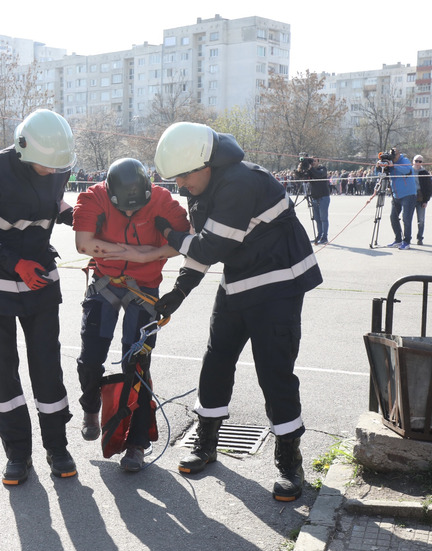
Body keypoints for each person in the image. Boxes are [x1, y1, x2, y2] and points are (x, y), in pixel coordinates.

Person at [151, 122, 323, 502]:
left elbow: (208, 247)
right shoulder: (205, 187)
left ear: (203, 163)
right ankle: (207, 441)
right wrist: (179, 292)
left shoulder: (241, 181)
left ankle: (290, 462)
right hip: (240, 283)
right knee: (216, 361)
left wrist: (168, 235)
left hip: (278, 285)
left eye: (182, 176)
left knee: (274, 372)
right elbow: (206, 249)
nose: (179, 185)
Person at [0, 109, 79, 485]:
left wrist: (79, 216)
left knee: (47, 368)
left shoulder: (56, 165)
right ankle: (17, 454)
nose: (51, 172)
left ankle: (57, 447)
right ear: (23, 148)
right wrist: (13, 263)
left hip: (39, 280)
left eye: (57, 168)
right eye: (44, 166)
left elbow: (47, 204)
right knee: (3, 372)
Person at [72, 157, 190, 472]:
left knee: (137, 362)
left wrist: (150, 254)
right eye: (122, 209)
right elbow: (83, 244)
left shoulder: (163, 201)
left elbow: (188, 242)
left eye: (134, 210)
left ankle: (136, 443)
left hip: (145, 287)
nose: (127, 214)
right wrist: (130, 252)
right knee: (90, 356)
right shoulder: (93, 196)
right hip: (105, 283)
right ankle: (90, 408)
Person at [382, 149, 417, 250]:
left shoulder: (404, 160)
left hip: (408, 194)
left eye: (394, 155)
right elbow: (382, 173)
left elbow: (407, 170)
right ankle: (398, 239)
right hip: (396, 195)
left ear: (398, 154)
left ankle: (407, 241)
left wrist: (394, 165)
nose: (393, 157)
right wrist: (381, 166)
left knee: (406, 218)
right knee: (393, 217)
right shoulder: (390, 162)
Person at [296, 155, 330, 244]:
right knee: (317, 219)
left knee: (323, 218)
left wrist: (310, 168)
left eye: (315, 161)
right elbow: (302, 177)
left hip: (324, 197)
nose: (313, 162)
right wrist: (300, 168)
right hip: (314, 197)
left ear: (318, 162)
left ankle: (324, 237)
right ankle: (319, 235)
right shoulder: (310, 171)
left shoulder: (323, 169)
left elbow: (319, 175)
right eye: (312, 161)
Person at [412, 155, 432, 246]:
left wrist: (426, 201)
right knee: (407, 219)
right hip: (410, 197)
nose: (418, 163)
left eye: (420, 161)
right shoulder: (409, 171)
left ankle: (420, 238)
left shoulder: (424, 172)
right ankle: (406, 238)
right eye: (416, 161)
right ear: (413, 161)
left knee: (421, 220)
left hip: (421, 198)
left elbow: (429, 188)